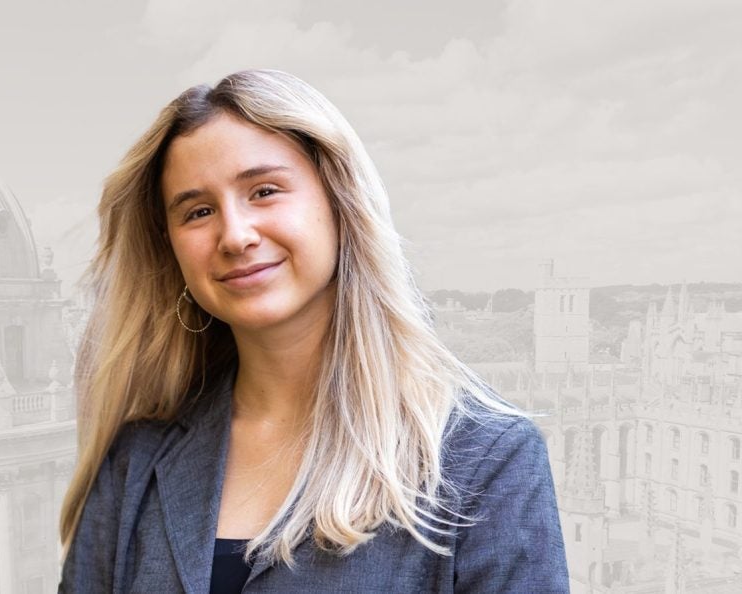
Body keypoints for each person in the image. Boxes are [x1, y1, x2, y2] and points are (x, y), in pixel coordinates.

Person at [58, 69, 568, 593]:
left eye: (264, 190)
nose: (234, 235)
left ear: (340, 205)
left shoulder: (484, 461)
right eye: (199, 211)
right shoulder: (136, 460)